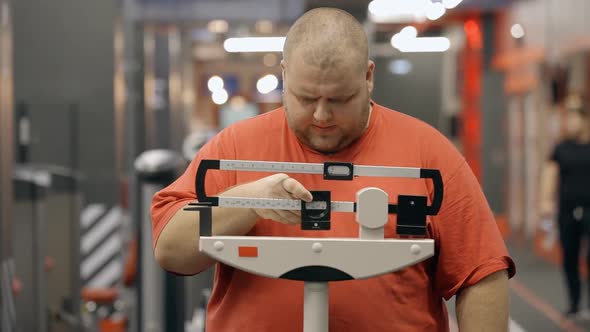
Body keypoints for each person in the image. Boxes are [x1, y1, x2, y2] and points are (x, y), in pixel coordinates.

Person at [151, 8, 515, 331]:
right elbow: (172, 250)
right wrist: (244, 202)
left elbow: (480, 273)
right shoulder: (234, 149)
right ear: (284, 74)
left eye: (339, 100)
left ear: (368, 76)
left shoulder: (427, 154)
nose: (322, 116)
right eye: (306, 99)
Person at [540, 93, 590, 318]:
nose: (570, 122)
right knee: (570, 257)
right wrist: (545, 201)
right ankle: (574, 302)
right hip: (568, 211)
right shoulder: (561, 148)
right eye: (567, 117)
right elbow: (550, 173)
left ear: (585, 119)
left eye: (575, 117)